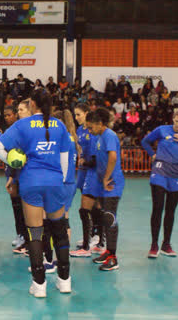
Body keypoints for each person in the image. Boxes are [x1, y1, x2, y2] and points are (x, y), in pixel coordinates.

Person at [0, 89, 73, 297]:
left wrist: (14, 161)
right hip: (55, 182)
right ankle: (65, 281)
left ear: (33, 105)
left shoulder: (22, 124)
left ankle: (39, 285)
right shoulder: (60, 125)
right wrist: (61, 182)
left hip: (31, 182)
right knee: (59, 231)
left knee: (35, 234)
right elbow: (65, 160)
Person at [141, 107, 178, 258]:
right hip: (160, 172)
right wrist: (152, 154)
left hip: (177, 175)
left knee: (170, 211)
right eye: (176, 120)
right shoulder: (162, 130)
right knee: (157, 208)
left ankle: (166, 244)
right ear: (173, 118)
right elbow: (145, 141)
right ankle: (154, 245)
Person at [85, 107, 125, 271]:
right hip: (104, 184)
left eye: (90, 127)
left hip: (112, 184)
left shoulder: (109, 135)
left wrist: (107, 177)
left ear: (100, 123)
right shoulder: (100, 136)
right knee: (104, 216)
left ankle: (113, 257)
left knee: (109, 217)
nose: (89, 130)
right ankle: (108, 251)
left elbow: (113, 157)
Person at [70, 103, 101, 257]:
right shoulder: (79, 130)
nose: (76, 118)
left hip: (92, 172)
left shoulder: (93, 131)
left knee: (90, 207)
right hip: (83, 172)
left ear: (87, 113)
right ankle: (94, 238)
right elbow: (80, 148)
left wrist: (85, 162)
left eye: (79, 114)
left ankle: (94, 240)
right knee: (90, 206)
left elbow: (96, 157)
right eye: (74, 115)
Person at [2, 105, 28, 251]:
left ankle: (25, 235)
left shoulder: (21, 131)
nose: (7, 117)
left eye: (9, 115)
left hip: (19, 173)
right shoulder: (8, 132)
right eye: (5, 115)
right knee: (15, 207)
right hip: (11, 172)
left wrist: (12, 174)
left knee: (24, 207)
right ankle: (20, 234)